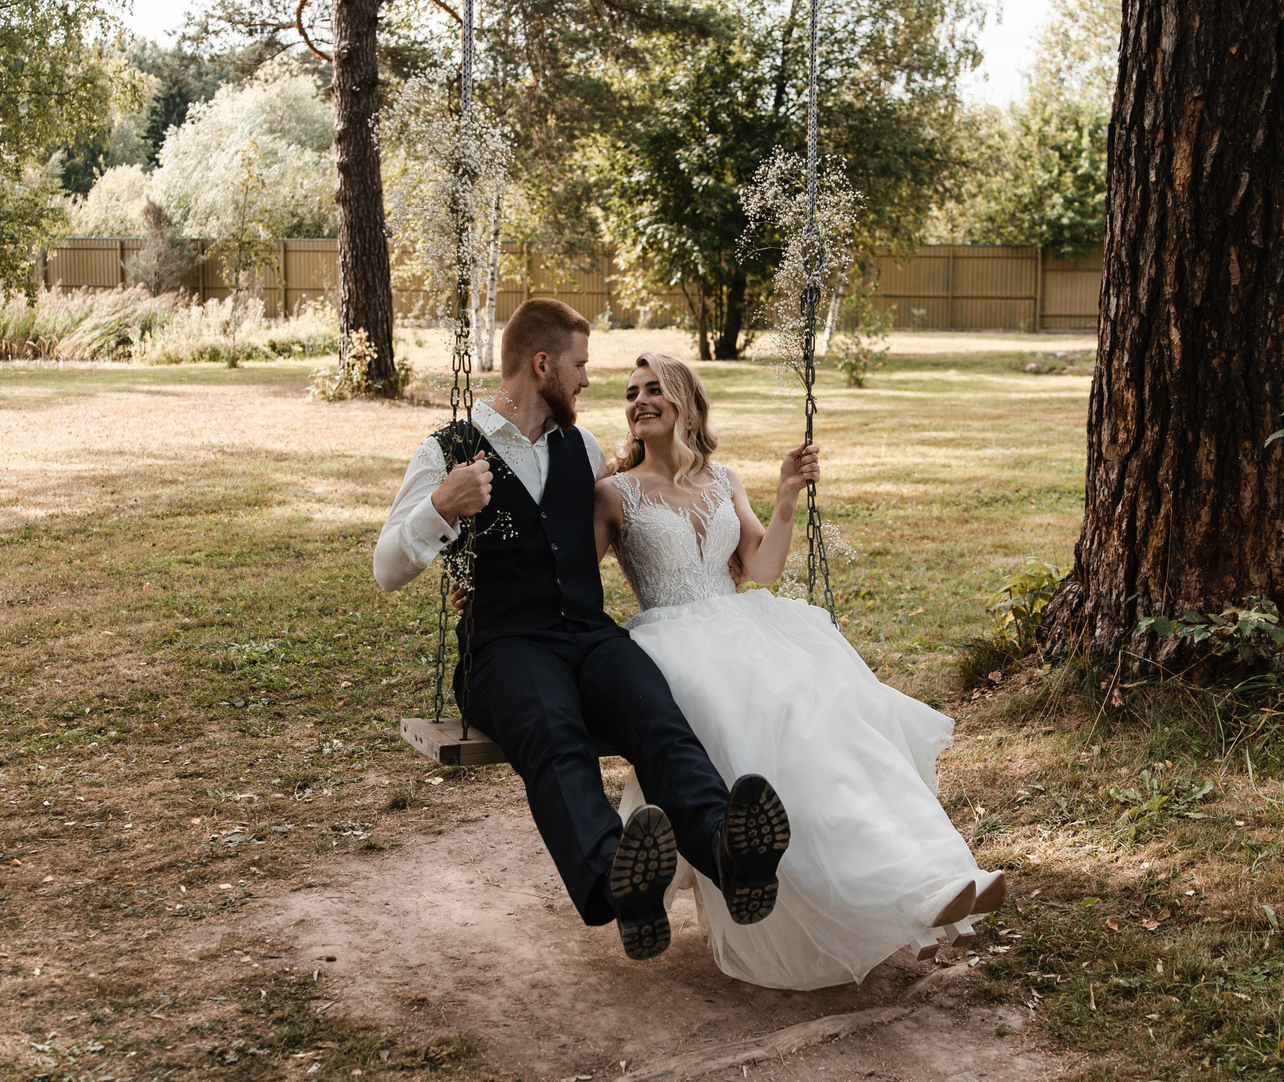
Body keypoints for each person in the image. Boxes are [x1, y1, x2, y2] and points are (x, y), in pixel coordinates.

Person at [374, 298, 793, 960]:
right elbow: (385, 568)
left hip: (587, 636)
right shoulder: (449, 451)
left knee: (656, 715)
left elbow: (614, 518)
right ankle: (616, 881)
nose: (587, 381)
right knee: (554, 732)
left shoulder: (584, 448)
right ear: (542, 365)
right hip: (505, 648)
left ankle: (725, 847)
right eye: (578, 365)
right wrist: (438, 509)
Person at [595, 352, 1005, 990]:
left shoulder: (723, 479)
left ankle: (934, 882)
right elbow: (570, 583)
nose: (639, 401)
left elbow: (760, 570)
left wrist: (786, 497)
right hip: (673, 644)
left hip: (747, 627)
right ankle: (907, 894)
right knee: (778, 729)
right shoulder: (613, 493)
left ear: (685, 402)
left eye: (654, 389)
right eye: (631, 392)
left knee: (837, 723)